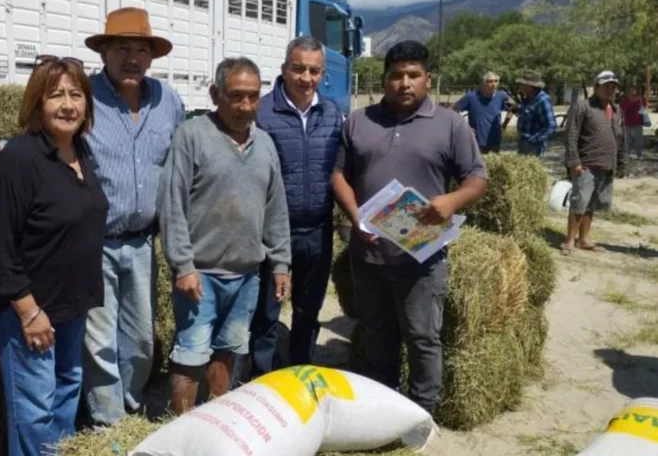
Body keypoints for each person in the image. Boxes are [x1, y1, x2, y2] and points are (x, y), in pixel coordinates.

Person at [0, 7, 185, 428]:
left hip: (142, 242)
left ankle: (130, 407)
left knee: (140, 341)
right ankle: (108, 427)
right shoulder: (86, 95)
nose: (132, 58)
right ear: (103, 52)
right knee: (99, 344)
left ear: (153, 57)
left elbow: (185, 157)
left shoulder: (168, 102)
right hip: (93, 245)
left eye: (141, 50)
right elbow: (44, 136)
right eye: (121, 48)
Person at [331, 40, 487, 416]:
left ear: (427, 79)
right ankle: (384, 406)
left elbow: (477, 177)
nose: (405, 83)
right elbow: (338, 174)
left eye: (413, 75)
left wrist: (452, 201)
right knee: (376, 332)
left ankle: (421, 412)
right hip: (368, 253)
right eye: (396, 76)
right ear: (384, 80)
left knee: (421, 337)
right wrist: (355, 216)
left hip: (423, 254)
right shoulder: (358, 120)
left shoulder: (449, 124)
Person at [0, 57, 108, 455]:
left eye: (76, 94)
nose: (68, 105)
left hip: (71, 304)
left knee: (67, 390)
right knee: (34, 409)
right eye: (56, 95)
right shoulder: (19, 159)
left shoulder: (81, 151)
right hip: (32, 309)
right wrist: (28, 311)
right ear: (37, 104)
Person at [157, 57, 292, 415]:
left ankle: (217, 422)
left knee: (230, 349)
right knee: (191, 354)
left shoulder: (264, 144)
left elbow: (275, 209)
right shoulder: (193, 136)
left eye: (252, 97)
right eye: (235, 96)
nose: (245, 106)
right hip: (200, 274)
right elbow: (172, 205)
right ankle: (181, 429)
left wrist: (280, 263)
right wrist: (183, 265)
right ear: (215, 93)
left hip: (247, 275)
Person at [247, 36, 344, 378]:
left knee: (308, 311)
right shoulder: (261, 112)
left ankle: (300, 374)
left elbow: (341, 170)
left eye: (314, 71)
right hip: (272, 234)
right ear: (284, 69)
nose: (306, 78)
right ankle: (262, 379)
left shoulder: (332, 114)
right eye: (298, 68)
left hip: (318, 231)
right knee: (267, 313)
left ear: (323, 73)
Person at [561, 70, 627, 255]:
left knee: (592, 203)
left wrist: (621, 162)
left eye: (613, 87)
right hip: (585, 164)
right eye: (607, 86)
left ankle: (584, 239)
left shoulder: (616, 110)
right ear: (596, 87)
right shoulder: (583, 107)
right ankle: (569, 241)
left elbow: (621, 138)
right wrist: (574, 161)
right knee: (580, 201)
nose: (611, 90)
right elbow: (571, 135)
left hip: (606, 165)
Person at [451, 71, 514, 154]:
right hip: (476, 141)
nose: (494, 84)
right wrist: (463, 126)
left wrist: (504, 125)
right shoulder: (471, 97)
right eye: (490, 81)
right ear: (483, 83)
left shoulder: (502, 96)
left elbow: (514, 108)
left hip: (495, 141)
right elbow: (452, 110)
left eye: (496, 81)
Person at [514, 70, 556, 157]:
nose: (520, 87)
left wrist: (534, 139)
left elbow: (551, 126)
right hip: (523, 143)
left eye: (522, 85)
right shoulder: (527, 99)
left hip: (534, 146)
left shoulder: (542, 100)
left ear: (530, 86)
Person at [619, 85, 649, 160]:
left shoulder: (641, 99)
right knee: (627, 140)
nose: (633, 91)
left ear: (637, 90)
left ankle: (640, 155)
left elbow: (645, 106)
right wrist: (621, 118)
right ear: (629, 90)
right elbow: (621, 109)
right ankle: (627, 154)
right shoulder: (625, 99)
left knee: (639, 140)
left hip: (638, 122)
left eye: (635, 89)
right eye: (632, 89)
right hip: (627, 122)